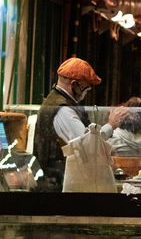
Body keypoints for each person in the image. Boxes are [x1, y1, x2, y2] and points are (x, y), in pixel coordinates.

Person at [33, 57, 103, 191]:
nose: (85, 94)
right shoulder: (63, 109)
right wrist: (110, 126)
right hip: (60, 185)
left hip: (56, 182)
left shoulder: (56, 102)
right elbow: (86, 145)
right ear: (75, 84)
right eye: (86, 89)